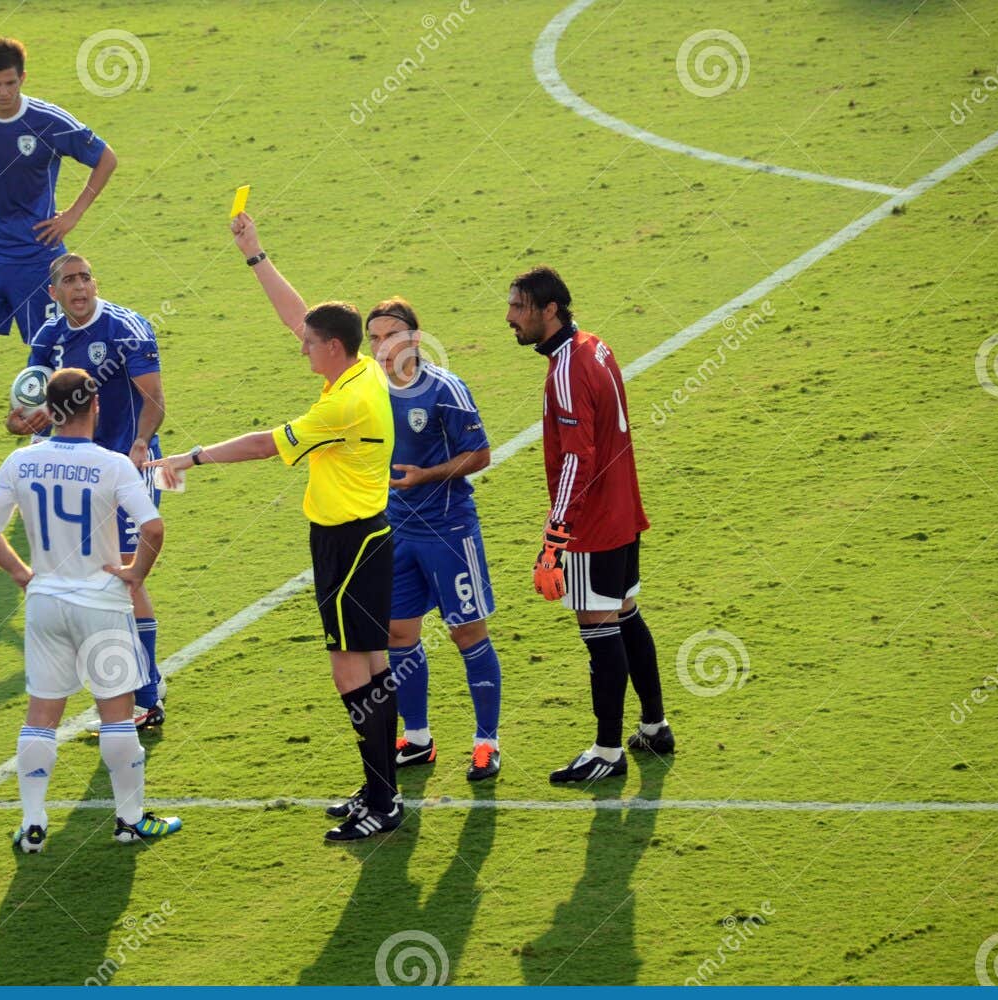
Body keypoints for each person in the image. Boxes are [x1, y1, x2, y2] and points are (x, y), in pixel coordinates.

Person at [230, 212, 504, 781]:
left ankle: (486, 741)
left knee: (466, 632)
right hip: (391, 530)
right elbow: (301, 322)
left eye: (391, 335)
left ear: (413, 338)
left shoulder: (444, 390)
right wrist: (256, 254)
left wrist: (425, 477)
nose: (381, 345)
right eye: (374, 337)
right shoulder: (366, 382)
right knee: (398, 635)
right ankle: (418, 737)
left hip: (448, 529)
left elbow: (480, 455)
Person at [151, 303, 402, 841]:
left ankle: (383, 802)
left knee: (350, 673)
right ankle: (381, 788)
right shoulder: (363, 370)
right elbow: (304, 318)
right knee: (375, 666)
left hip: (348, 545)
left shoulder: (343, 405)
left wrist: (190, 458)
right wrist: (257, 261)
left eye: (308, 342)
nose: (301, 347)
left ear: (332, 346)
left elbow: (266, 444)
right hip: (366, 536)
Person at [0, 369, 181, 851]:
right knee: (117, 716)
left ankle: (32, 824)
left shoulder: (20, 461)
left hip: (46, 604)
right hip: (101, 605)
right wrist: (135, 573)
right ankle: (130, 820)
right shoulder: (112, 465)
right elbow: (153, 529)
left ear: (50, 411)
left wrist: (21, 573)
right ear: (96, 407)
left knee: (40, 716)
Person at [0, 36, 118, 483]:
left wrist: (73, 214)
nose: (4, 92)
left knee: (50, 358)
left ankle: (46, 448)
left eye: (11, 83)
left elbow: (106, 158)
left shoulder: (48, 121)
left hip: (39, 261)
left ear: (22, 78)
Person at [505, 267, 673, 784]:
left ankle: (607, 750)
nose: (510, 317)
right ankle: (654, 726)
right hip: (623, 511)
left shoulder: (566, 370)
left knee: (599, 629)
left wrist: (555, 536)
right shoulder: (595, 346)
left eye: (519, 307)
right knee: (625, 615)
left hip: (594, 523)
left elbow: (578, 458)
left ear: (549, 310)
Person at [8, 253, 168, 729]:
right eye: (69, 281)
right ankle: (143, 687)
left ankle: (146, 696)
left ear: (95, 284)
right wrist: (21, 424)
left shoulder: (126, 329)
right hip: (77, 473)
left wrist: (140, 443)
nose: (79, 287)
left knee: (122, 577)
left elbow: (155, 399)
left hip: (129, 465)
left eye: (85, 278)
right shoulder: (47, 338)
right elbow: (32, 404)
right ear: (53, 292)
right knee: (103, 580)